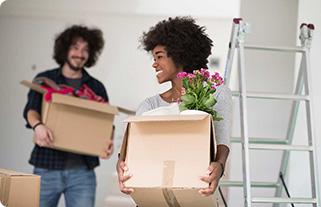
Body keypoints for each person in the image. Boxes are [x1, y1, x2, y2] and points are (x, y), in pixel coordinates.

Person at [117, 16, 232, 197]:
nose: (154, 64)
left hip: (196, 192)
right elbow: (131, 150)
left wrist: (220, 166)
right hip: (155, 194)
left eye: (159, 57)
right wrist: (121, 165)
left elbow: (222, 141)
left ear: (180, 54)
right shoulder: (149, 105)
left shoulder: (216, 93)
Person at [23, 25, 114, 207]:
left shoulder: (96, 87)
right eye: (75, 47)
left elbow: (105, 122)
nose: (80, 54)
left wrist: (108, 141)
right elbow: (31, 110)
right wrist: (38, 126)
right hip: (46, 168)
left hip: (82, 173)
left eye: (85, 50)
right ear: (65, 49)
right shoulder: (45, 80)